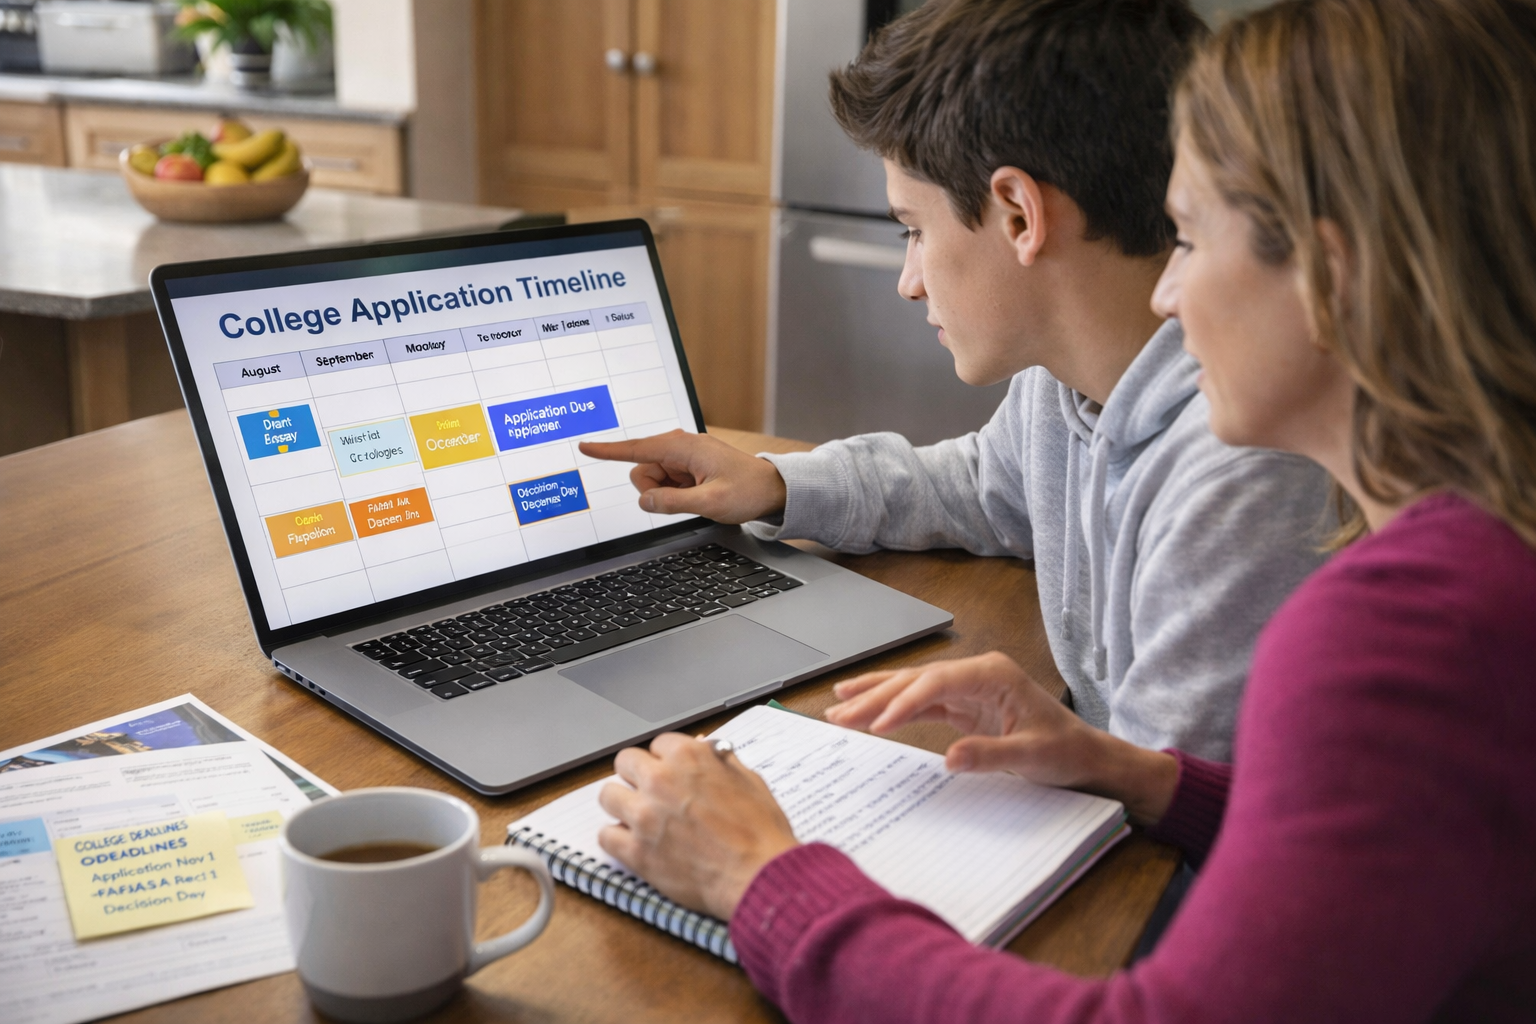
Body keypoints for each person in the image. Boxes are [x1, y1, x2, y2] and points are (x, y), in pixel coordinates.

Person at [592, 0, 1536, 1019]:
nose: (1166, 295)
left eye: (1188, 238)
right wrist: (1145, 775)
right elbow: (1360, 836)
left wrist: (762, 880)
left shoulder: (1384, 626)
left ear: (1330, 275)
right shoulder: (1472, 558)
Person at [583, 0, 1329, 762]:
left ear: (1019, 216)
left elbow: (1171, 803)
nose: (908, 281)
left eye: (915, 229)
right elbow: (979, 486)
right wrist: (776, 484)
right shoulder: (1063, 384)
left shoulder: (1234, 475)